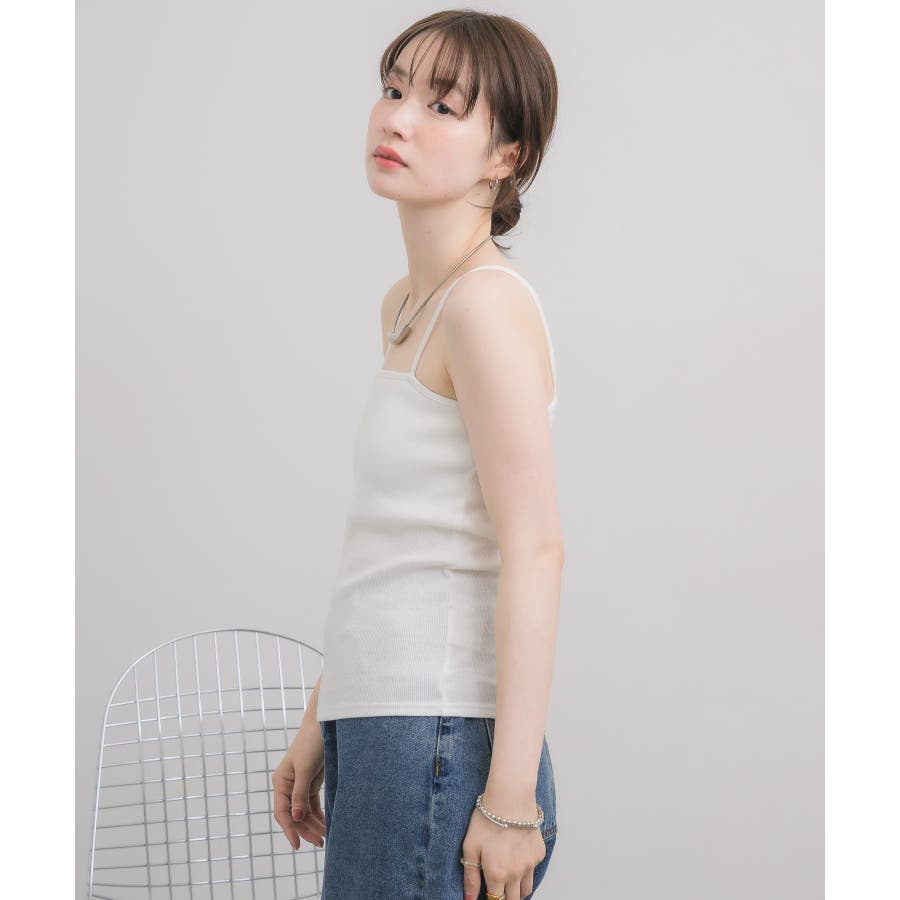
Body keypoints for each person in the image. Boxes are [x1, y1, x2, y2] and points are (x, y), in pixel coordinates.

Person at [272, 11, 563, 900]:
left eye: (441, 106)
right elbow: (402, 545)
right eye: (393, 89)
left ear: (505, 156)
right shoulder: (408, 302)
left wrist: (510, 801)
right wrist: (324, 717)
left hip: (437, 739)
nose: (396, 118)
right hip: (387, 725)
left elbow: (535, 548)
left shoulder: (484, 306)